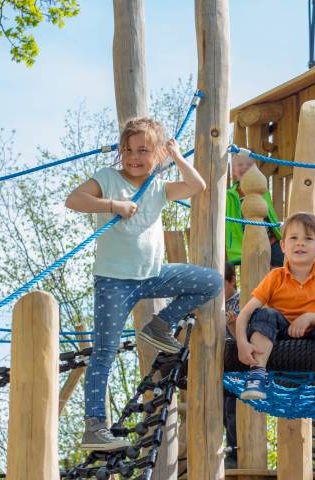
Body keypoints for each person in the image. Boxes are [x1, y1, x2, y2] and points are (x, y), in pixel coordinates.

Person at [65, 117, 222, 451]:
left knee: (209, 281)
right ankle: (94, 426)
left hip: (152, 275)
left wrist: (178, 157)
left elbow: (197, 186)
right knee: (104, 350)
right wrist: (112, 205)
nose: (134, 156)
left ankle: (160, 324)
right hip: (114, 282)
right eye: (128, 150)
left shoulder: (157, 185)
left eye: (144, 150)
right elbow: (74, 200)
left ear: (158, 154)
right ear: (121, 152)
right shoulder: (108, 178)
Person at [235, 212, 315, 404]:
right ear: (283, 246)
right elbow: (245, 314)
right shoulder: (275, 277)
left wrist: (309, 317)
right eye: (293, 238)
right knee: (264, 314)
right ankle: (257, 375)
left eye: (308, 238)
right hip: (279, 334)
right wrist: (242, 343)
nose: (300, 243)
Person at [226, 153, 284, 268]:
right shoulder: (230, 195)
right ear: (233, 171)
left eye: (249, 164)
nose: (244, 167)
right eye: (240, 165)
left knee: (281, 266)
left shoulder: (262, 190)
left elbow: (268, 212)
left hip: (270, 240)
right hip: (247, 245)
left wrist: (278, 229)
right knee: (254, 273)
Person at [223, 261, 239, 469]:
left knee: (232, 410)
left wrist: (232, 324)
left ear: (232, 280)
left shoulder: (241, 302)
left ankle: (235, 454)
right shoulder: (211, 304)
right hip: (220, 367)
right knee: (221, 412)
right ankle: (227, 451)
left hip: (238, 367)